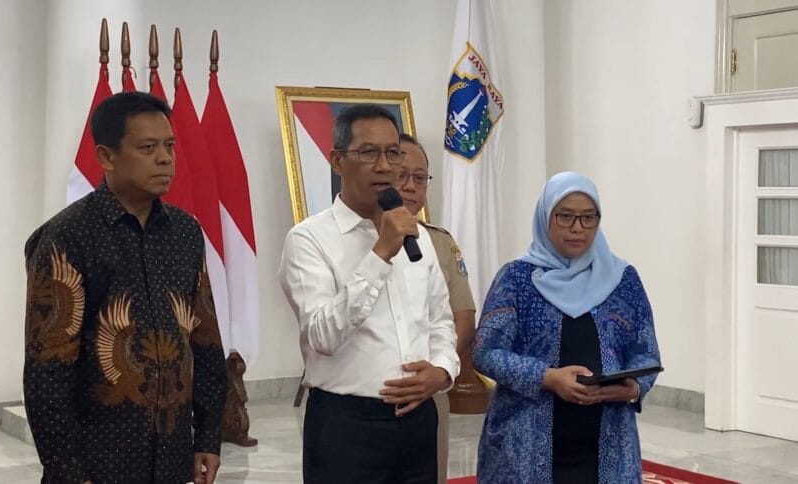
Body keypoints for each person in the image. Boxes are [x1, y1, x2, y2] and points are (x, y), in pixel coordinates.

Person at [23, 91, 227, 484]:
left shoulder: (185, 233)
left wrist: (207, 437)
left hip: (171, 457)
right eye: (148, 148)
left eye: (169, 146)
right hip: (97, 460)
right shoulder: (68, 238)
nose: (166, 158)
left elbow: (204, 341)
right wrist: (67, 469)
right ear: (106, 157)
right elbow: (46, 370)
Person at [278, 104, 459, 484]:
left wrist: (442, 371)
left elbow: (440, 320)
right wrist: (380, 254)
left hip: (417, 420)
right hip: (347, 426)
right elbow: (322, 335)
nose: (384, 166)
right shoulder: (309, 240)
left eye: (392, 152)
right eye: (368, 152)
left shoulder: (419, 234)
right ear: (337, 161)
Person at [472, 172, 661, 483]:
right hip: (525, 446)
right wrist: (547, 377)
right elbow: (485, 352)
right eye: (565, 216)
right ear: (545, 217)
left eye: (588, 218)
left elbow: (646, 352)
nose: (577, 228)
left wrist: (632, 388)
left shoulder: (623, 279)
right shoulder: (517, 278)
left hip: (607, 442)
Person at [395, 133, 477, 484]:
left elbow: (463, 316)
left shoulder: (439, 243)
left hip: (429, 387)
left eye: (420, 177)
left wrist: (437, 371)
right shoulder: (339, 239)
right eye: (402, 176)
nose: (412, 187)